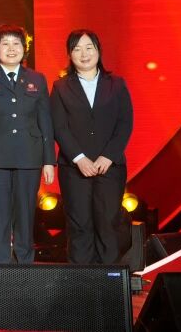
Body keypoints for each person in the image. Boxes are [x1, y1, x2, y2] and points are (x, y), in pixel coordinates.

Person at [0, 24, 55, 264]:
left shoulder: (37, 79)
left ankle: (24, 271)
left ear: (24, 48)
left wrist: (49, 161)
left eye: (16, 43)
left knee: (25, 217)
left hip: (29, 158)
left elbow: (45, 121)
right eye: (4, 44)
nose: (11, 48)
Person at [50, 29, 134, 264]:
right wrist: (79, 158)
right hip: (74, 169)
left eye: (89, 48)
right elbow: (59, 127)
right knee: (79, 225)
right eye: (77, 49)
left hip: (110, 167)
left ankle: (109, 280)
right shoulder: (60, 87)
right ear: (70, 54)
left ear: (98, 51)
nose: (84, 54)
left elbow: (125, 123)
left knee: (108, 223)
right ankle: (81, 281)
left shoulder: (116, 84)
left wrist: (108, 156)